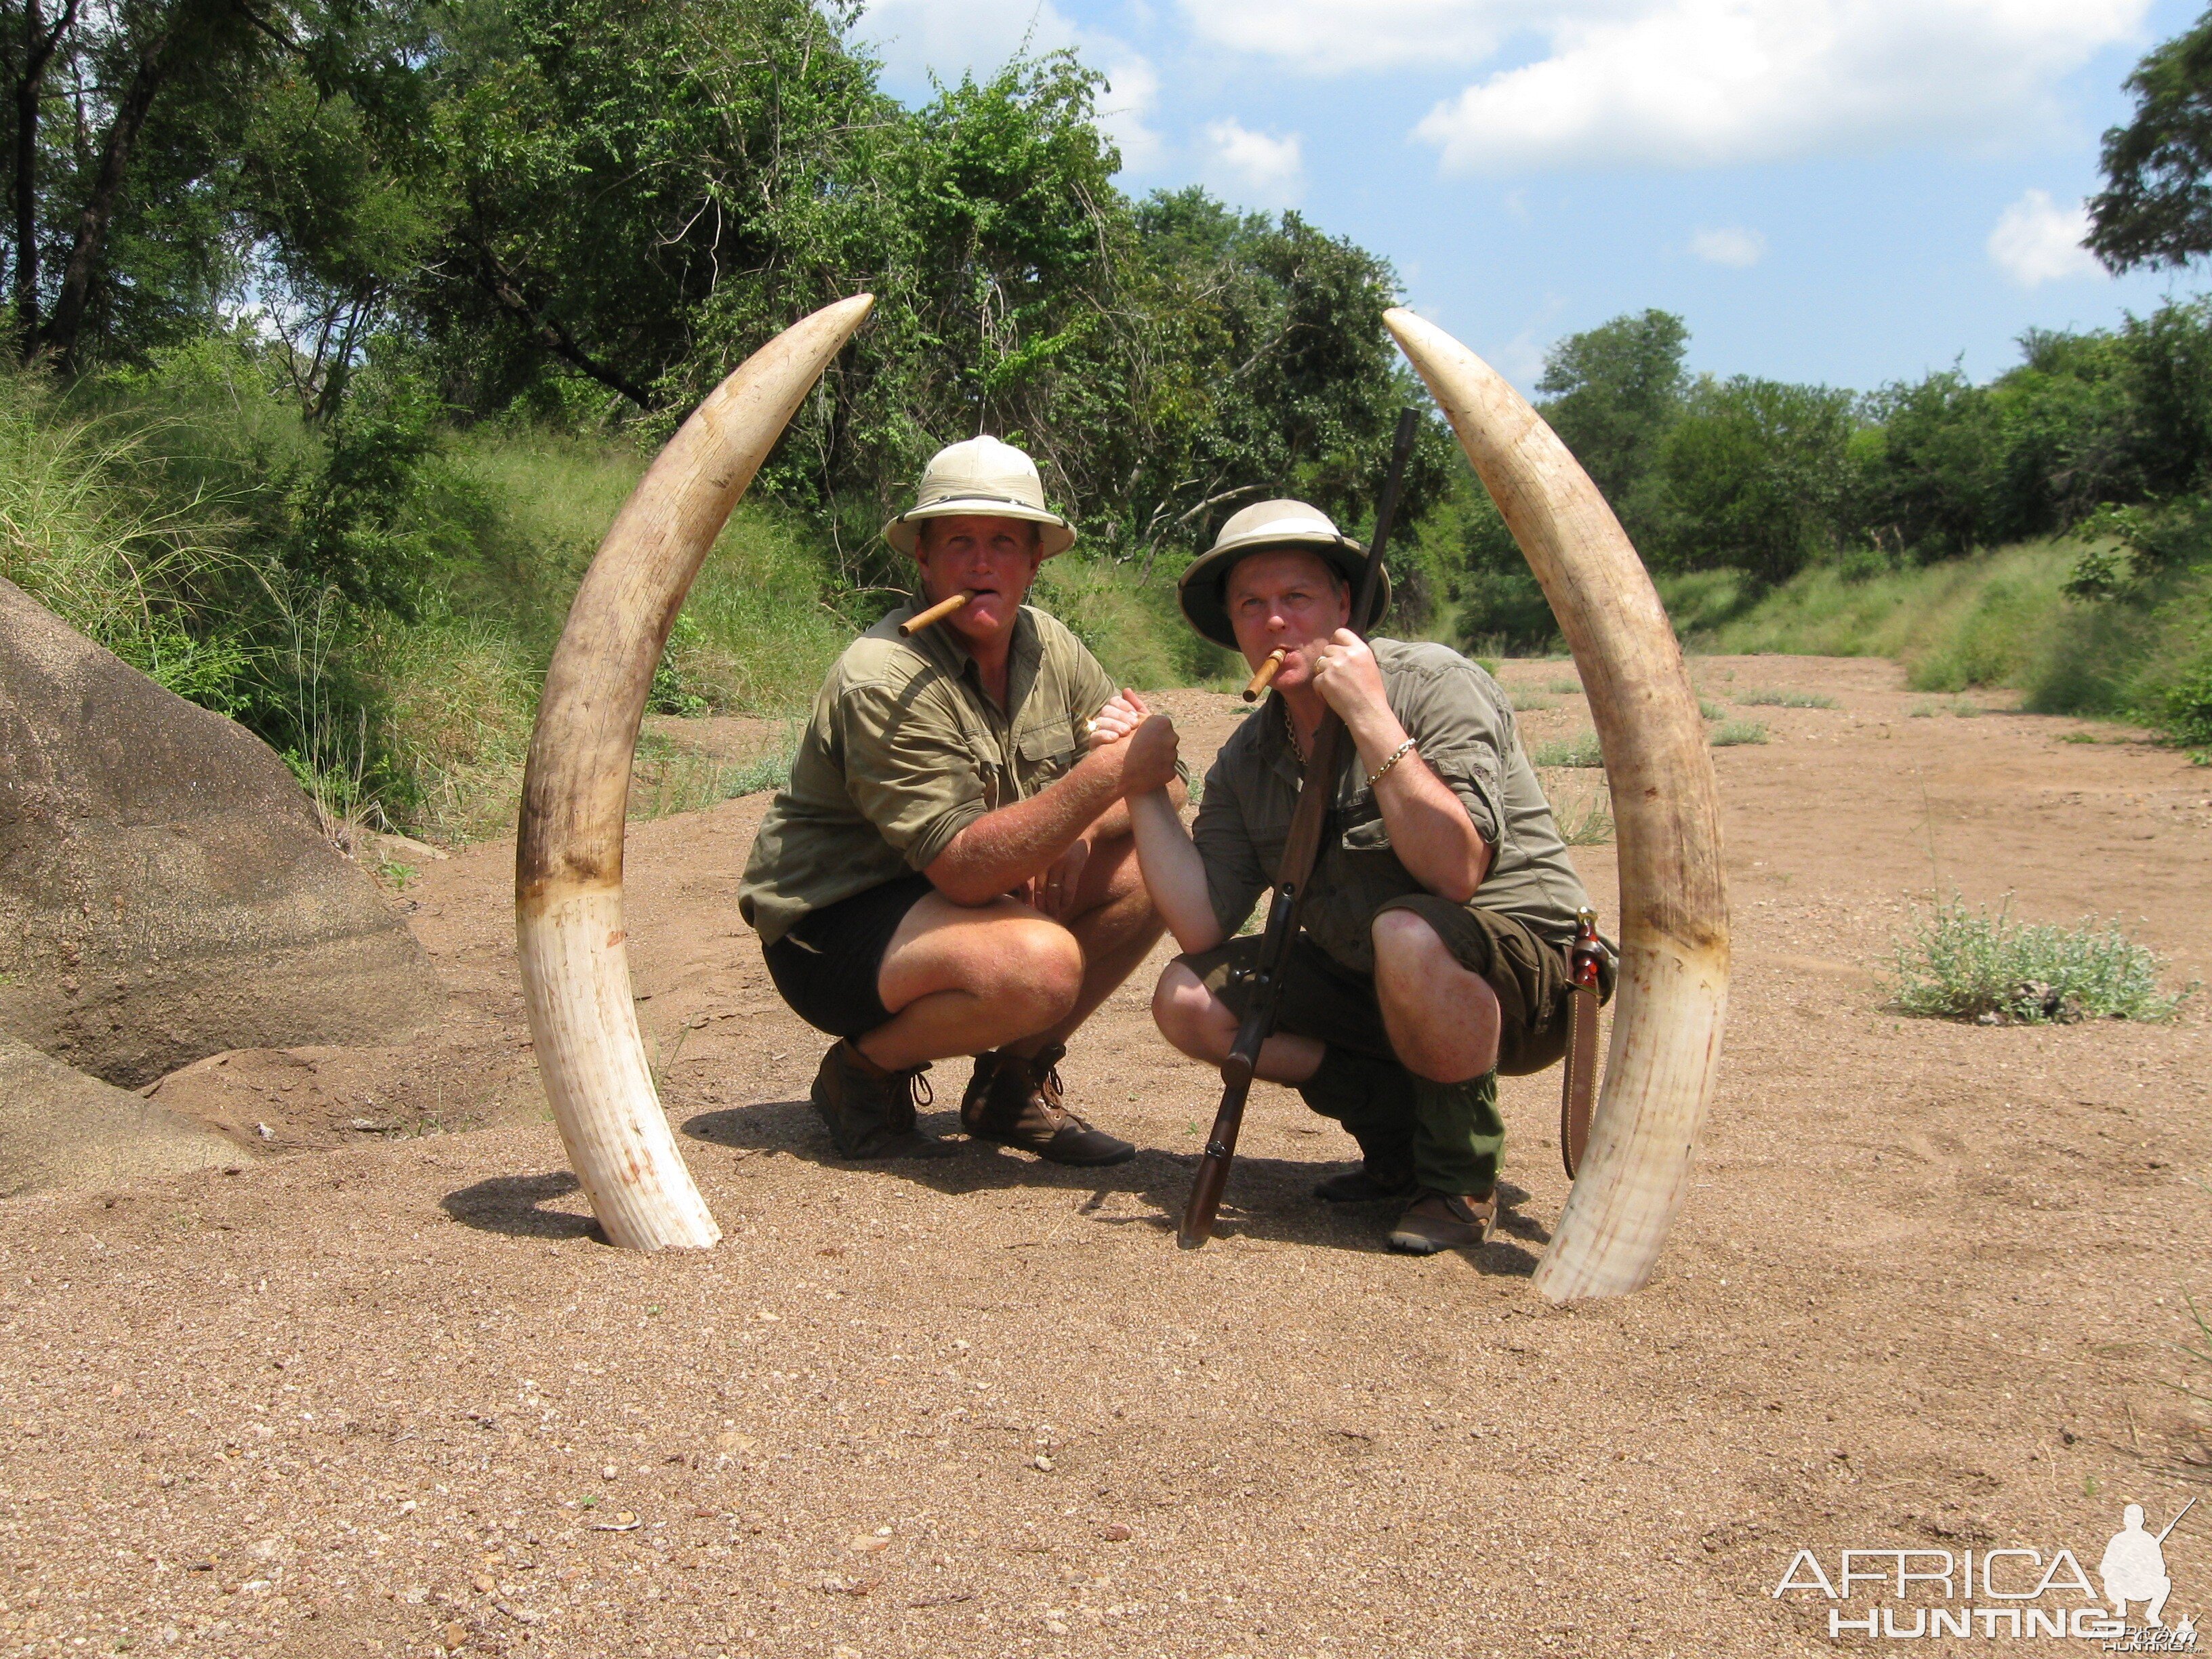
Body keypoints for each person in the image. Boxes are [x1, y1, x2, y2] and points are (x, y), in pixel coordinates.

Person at [1104, 497, 1604, 1253]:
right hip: (1380, 979)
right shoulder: (1248, 757)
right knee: (1187, 997)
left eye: (1297, 598)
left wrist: (1371, 718)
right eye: (1252, 605)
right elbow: (1203, 923)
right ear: (1233, 627)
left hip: (1525, 981)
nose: (1276, 623)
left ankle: (1458, 1176)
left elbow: (1456, 871)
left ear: (1344, 604)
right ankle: (1398, 1138)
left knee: (1406, 931)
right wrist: (1141, 786)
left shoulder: (1434, 685)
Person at [739, 436, 1181, 1165]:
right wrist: (1105, 779)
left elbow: (1165, 782)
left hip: (959, 898)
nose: (982, 565)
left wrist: (1078, 828)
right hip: (834, 925)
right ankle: (863, 1074)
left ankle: (1011, 1087)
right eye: (959, 542)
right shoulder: (884, 676)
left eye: (1004, 542)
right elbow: (966, 867)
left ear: (1035, 561)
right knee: (1039, 967)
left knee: (1156, 865)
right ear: (924, 559)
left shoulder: (1052, 646)